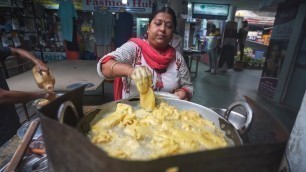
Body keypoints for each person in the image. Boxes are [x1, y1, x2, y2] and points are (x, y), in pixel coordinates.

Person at [97, 6, 193, 100]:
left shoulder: (177, 58)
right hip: (133, 113)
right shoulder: (134, 49)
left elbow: (188, 86)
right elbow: (104, 66)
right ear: (148, 27)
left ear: (172, 34)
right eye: (158, 23)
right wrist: (130, 71)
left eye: (169, 26)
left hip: (166, 113)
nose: (163, 29)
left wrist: (184, 92)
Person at [0, 47, 56, 146]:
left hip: (10, 119)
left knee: (18, 144)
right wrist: (42, 95)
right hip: (2, 132)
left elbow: (16, 51)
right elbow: (2, 96)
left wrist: (37, 61)